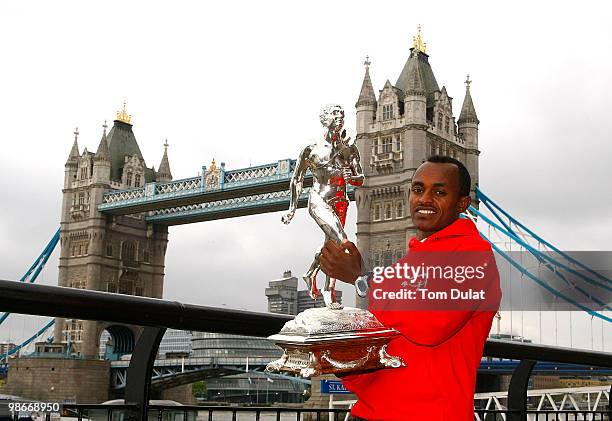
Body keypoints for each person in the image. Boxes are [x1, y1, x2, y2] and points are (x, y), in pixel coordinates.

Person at [319, 156, 502, 421]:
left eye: (439, 192)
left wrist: (361, 277)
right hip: (370, 412)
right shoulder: (409, 261)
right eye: (418, 189)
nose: (425, 199)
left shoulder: (475, 256)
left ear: (462, 203)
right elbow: (388, 342)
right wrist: (342, 362)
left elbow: (429, 324)